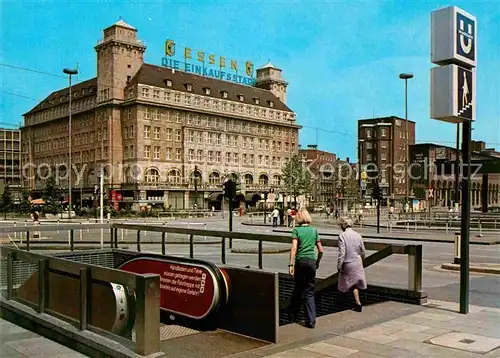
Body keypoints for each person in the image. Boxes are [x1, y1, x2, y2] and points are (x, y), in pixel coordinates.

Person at [288, 209, 324, 328]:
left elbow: (294, 248)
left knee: (298, 288)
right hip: (311, 262)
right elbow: (321, 250)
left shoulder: (296, 230)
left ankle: (293, 316)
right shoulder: (314, 231)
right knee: (309, 291)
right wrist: (317, 262)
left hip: (300, 261)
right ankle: (311, 320)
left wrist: (291, 265)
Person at [337, 217, 367, 312]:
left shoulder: (342, 236)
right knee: (354, 284)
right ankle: (357, 303)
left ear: (343, 225)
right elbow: (363, 251)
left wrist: (339, 265)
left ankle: (342, 304)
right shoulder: (358, 235)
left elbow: (342, 253)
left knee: (343, 284)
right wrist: (362, 260)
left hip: (348, 263)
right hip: (357, 262)